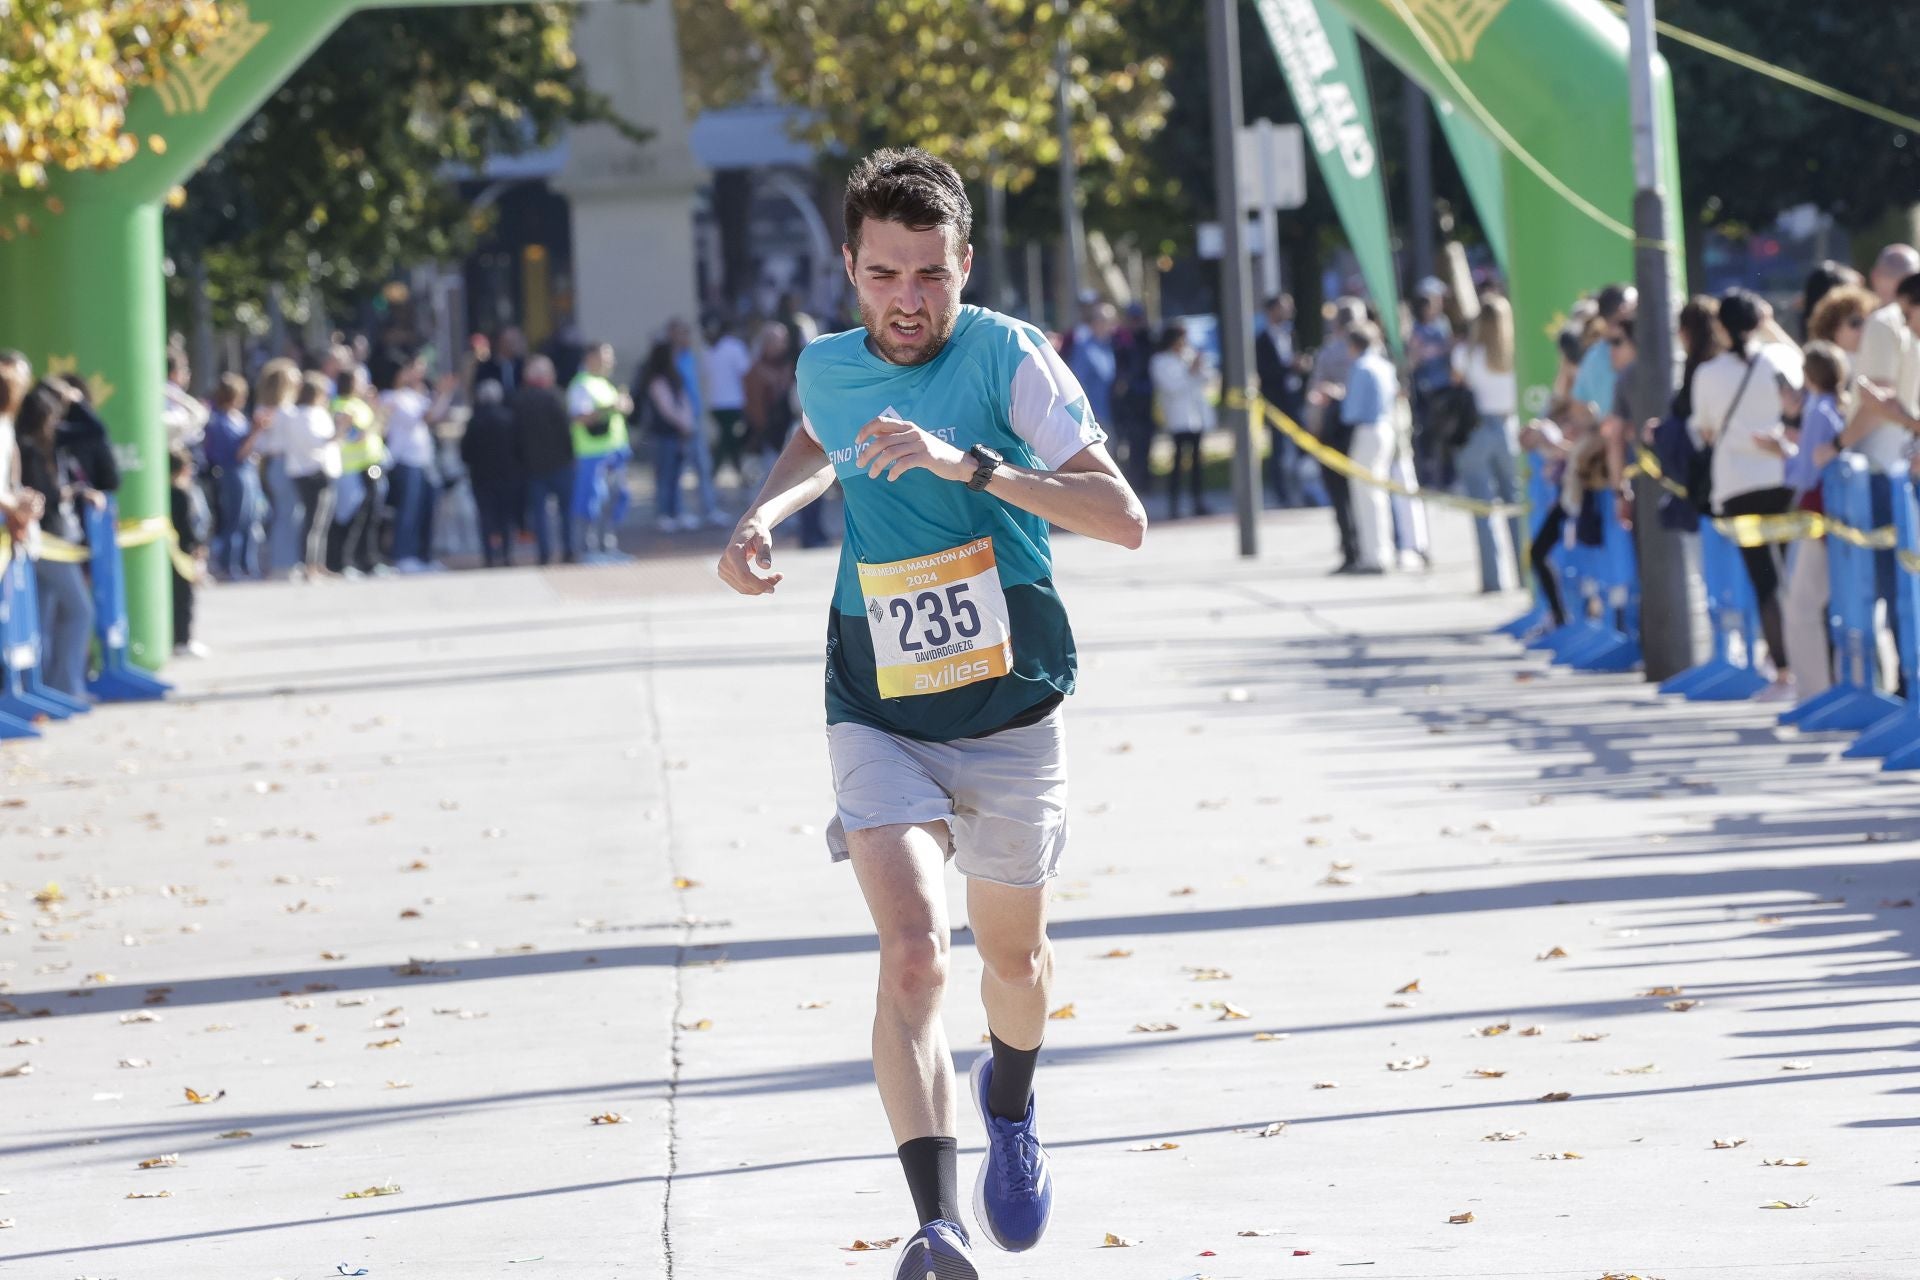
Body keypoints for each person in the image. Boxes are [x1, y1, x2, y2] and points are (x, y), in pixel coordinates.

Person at [715, 146, 1146, 1280]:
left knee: (1016, 964)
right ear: (851, 269)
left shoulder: (1012, 360)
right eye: (883, 277)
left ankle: (1012, 1101)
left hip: (1008, 711)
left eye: (930, 276)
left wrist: (975, 466)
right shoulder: (829, 365)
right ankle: (935, 1223)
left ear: (966, 263)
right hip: (879, 705)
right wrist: (763, 517)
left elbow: (1121, 516)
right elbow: (820, 434)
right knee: (912, 952)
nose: (907, 302)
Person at [1690, 288, 1802, 700]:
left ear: (1721, 326)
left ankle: (1784, 671)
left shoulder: (1707, 373)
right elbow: (1807, 371)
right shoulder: (1783, 358)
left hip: (1737, 484)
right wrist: (1773, 327)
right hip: (1784, 476)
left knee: (1764, 580)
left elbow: (1704, 431)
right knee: (1792, 573)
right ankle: (1802, 665)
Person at [1778, 341, 1852, 701]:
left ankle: (1813, 691)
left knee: (1802, 608)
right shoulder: (1839, 405)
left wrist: (1782, 453)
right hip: (1838, 513)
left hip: (1817, 514)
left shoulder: (1816, 410)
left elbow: (1806, 472)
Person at [14, 384, 97, 699]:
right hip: (47, 542)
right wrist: (70, 492)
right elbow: (43, 497)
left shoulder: (49, 446)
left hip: (55, 542)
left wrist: (76, 401)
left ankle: (50, 687)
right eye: (51, 417)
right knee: (79, 611)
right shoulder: (29, 448)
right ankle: (64, 686)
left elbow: (93, 430)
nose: (55, 423)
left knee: (45, 617)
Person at [1450, 293, 1523, 591]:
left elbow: (1456, 383)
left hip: (1478, 428)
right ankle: (1524, 574)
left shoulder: (1467, 355)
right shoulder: (1516, 355)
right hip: (1509, 427)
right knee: (1516, 506)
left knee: (1482, 509)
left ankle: (1493, 580)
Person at [378, 355, 457, 573]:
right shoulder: (391, 397)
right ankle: (403, 554)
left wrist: (444, 394)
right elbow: (427, 416)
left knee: (428, 508)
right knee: (408, 510)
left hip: (424, 461)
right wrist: (441, 394)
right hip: (405, 461)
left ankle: (424, 555)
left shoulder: (417, 396)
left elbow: (438, 415)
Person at [1332, 322, 1398, 575]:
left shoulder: (1360, 367)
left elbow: (1351, 412)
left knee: (1365, 496)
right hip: (1386, 427)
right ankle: (1384, 551)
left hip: (1367, 431)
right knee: (1379, 494)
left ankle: (1372, 556)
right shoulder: (1384, 365)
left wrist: (1339, 398)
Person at [1308, 298, 1369, 572]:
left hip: (1335, 431)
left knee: (1340, 495)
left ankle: (1350, 549)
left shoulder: (1329, 354)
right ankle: (1370, 548)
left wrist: (1313, 432)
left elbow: (1316, 396)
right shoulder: (1374, 354)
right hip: (1364, 429)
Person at [567, 342, 634, 557]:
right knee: (591, 502)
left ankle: (607, 546)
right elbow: (579, 418)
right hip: (592, 456)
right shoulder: (582, 384)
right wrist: (610, 408)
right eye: (605, 356)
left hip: (614, 454)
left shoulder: (603, 383)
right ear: (590, 357)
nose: (610, 361)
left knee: (614, 501)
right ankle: (587, 548)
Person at [271, 372, 340, 576]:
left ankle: (318, 563)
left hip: (323, 470)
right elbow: (316, 442)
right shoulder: (300, 415)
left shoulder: (318, 413)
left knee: (321, 522)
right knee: (312, 521)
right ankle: (309, 564)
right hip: (310, 471)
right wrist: (340, 431)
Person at [512, 356, 575, 566]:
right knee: (565, 511)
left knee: (540, 514)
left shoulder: (520, 399)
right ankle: (569, 549)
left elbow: (516, 436)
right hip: (560, 463)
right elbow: (566, 431)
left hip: (533, 465)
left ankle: (544, 553)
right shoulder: (554, 396)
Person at [1254, 293, 1316, 508]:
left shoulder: (1290, 333)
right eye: (1283, 307)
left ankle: (1308, 490)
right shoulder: (1261, 340)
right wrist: (1289, 367)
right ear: (1272, 311)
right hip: (1275, 401)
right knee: (1278, 449)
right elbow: (1265, 371)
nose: (1288, 311)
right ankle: (1281, 494)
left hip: (1294, 397)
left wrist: (1302, 367)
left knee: (1304, 444)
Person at [1148, 323, 1215, 519]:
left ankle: (1198, 501)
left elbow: (1207, 377)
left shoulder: (1189, 355)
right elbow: (1172, 387)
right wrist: (1190, 372)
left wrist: (1198, 368)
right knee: (1177, 463)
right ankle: (1174, 505)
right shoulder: (1160, 361)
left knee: (1197, 462)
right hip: (1178, 417)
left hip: (1196, 417)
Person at [201, 374, 264, 580]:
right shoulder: (220, 421)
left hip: (248, 471)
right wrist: (255, 432)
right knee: (235, 520)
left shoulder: (238, 417)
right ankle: (230, 565)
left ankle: (248, 564)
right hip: (232, 473)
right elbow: (237, 453)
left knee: (250, 519)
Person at [667, 318, 729, 528]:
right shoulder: (668, 361)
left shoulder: (690, 357)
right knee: (680, 470)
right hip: (678, 423)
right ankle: (680, 512)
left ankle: (709, 509)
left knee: (703, 466)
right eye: (681, 333)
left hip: (695, 417)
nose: (687, 338)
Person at [326, 367, 388, 577]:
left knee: (372, 514)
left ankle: (368, 559)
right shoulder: (341, 405)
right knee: (352, 516)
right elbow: (354, 435)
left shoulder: (360, 405)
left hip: (370, 465)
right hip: (352, 469)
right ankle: (343, 562)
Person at [250, 358, 303, 578]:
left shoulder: (265, 409)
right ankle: (283, 564)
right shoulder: (282, 411)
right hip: (281, 462)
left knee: (289, 513)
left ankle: (287, 561)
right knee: (287, 513)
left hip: (277, 463)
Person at [463, 379, 522, 568]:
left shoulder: (474, 421)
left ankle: (488, 556)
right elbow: (518, 449)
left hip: (481, 476)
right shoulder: (508, 418)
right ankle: (506, 554)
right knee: (505, 517)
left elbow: (465, 452)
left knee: (485, 517)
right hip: (506, 475)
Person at [640, 339, 697, 532]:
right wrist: (684, 423)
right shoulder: (657, 381)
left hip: (677, 435)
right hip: (663, 436)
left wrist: (688, 423)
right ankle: (663, 514)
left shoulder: (675, 379)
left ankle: (677, 512)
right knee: (664, 476)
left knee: (676, 476)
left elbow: (683, 403)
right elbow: (668, 410)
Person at [1111, 303, 1157, 495]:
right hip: (1128, 401)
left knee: (1145, 440)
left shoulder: (1149, 339)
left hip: (1146, 399)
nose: (1136, 323)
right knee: (1129, 441)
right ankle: (1133, 480)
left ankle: (1144, 480)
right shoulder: (1121, 342)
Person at [169, 448, 210, 658]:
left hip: (170, 552)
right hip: (183, 553)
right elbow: (187, 527)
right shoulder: (181, 494)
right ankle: (183, 640)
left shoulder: (163, 493)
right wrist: (198, 547)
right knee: (185, 598)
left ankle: (175, 639)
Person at [704, 317, 754, 485]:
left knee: (728, 440)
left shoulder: (710, 349)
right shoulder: (735, 347)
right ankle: (714, 473)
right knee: (729, 440)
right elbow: (746, 372)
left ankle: (738, 472)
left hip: (715, 403)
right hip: (733, 402)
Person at [1066, 303, 1119, 459]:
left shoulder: (1114, 346)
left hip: (1115, 415)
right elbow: (1077, 384)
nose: (1108, 324)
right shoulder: (1083, 348)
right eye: (1101, 319)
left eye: (1111, 320)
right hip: (1095, 418)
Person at [162, 348, 209, 452]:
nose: (188, 374)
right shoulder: (167, 393)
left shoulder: (177, 395)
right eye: (184, 369)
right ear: (173, 373)